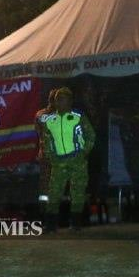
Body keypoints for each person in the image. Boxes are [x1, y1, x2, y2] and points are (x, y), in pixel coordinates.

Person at [41, 87, 95, 231]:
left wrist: (84, 152)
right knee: (54, 192)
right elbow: (46, 140)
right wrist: (50, 156)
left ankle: (76, 223)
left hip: (77, 160)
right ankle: (51, 225)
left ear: (70, 101)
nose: (60, 102)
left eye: (63, 99)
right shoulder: (50, 120)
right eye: (58, 99)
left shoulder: (78, 116)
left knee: (78, 191)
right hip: (58, 162)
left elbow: (91, 135)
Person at [34, 88, 59, 214]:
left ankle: (44, 213)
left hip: (45, 155)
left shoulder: (40, 114)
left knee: (45, 186)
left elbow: (38, 131)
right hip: (59, 156)